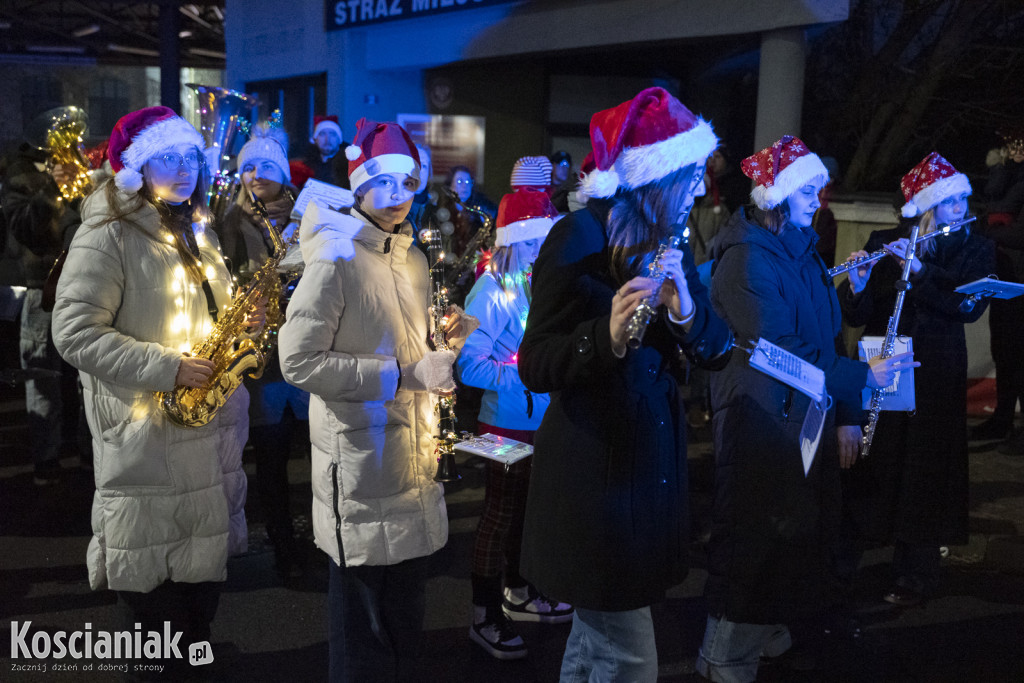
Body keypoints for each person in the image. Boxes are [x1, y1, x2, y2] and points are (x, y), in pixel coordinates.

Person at [518, 87, 734, 681]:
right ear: (655, 176)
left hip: (647, 475)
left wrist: (686, 311)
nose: (700, 188)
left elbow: (718, 350)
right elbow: (534, 362)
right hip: (596, 487)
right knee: (633, 655)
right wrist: (603, 337)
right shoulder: (578, 238)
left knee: (597, 645)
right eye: (690, 175)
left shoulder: (669, 240)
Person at [698, 136, 915, 682]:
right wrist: (863, 379)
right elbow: (780, 349)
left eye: (819, 186)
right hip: (759, 418)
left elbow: (826, 332)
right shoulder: (747, 258)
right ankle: (724, 653)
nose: (821, 196)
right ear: (778, 195)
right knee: (754, 535)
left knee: (790, 533)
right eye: (810, 187)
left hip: (798, 416)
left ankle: (766, 627)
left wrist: (844, 408)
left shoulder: (801, 247)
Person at [50, 106, 256, 670]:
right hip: (149, 445)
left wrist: (244, 327)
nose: (183, 167)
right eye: (166, 156)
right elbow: (72, 333)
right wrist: (167, 367)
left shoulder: (195, 229)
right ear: (135, 166)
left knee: (198, 612)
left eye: (189, 155)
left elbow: (213, 317)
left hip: (206, 436)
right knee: (153, 620)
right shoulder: (108, 233)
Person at [278, 118, 469, 682]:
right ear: (359, 185)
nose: (397, 195)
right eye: (383, 183)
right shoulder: (335, 257)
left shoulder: (408, 255)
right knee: (362, 635)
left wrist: (442, 340)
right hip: (360, 462)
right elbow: (298, 362)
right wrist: (406, 376)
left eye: (407, 183)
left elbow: (404, 344)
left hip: (411, 456)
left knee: (406, 624)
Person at [837, 152, 995, 606]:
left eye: (964, 200)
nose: (961, 210)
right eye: (951, 203)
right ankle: (846, 559)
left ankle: (916, 571)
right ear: (928, 207)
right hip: (886, 362)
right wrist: (860, 283)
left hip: (936, 372)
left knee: (926, 467)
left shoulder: (974, 248)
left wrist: (922, 272)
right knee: (874, 457)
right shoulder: (886, 240)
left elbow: (967, 307)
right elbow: (856, 314)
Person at [457, 188, 572, 660]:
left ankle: (518, 589)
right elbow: (468, 365)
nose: (539, 250)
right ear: (511, 240)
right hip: (503, 424)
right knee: (500, 516)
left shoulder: (532, 281)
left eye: (544, 242)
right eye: (531, 242)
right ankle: (483, 614)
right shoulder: (492, 288)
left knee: (525, 513)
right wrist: (527, 376)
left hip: (535, 421)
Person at [216, 124, 310, 581]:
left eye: (266, 167)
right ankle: (283, 545)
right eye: (248, 166)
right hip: (264, 359)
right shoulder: (229, 219)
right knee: (271, 458)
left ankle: (318, 536)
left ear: (282, 173)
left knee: (315, 453)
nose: (255, 175)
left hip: (310, 349)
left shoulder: (307, 214)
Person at [1, 131, 86, 484]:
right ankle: (46, 460)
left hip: (84, 284)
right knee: (41, 374)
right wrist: (52, 187)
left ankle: (89, 452)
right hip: (42, 287)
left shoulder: (79, 166)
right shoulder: (20, 173)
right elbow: (22, 228)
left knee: (87, 373)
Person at [974, 129, 1024, 442]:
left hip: (1021, 277)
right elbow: (988, 208)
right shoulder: (1005, 177)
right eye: (1012, 143)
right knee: (1004, 350)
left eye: (1021, 142)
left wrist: (988, 234)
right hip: (1004, 273)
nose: (1016, 148)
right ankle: (1003, 420)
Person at [300, 114, 350, 190]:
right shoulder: (303, 167)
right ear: (315, 139)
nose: (327, 139)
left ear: (339, 139)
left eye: (332, 134)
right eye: (322, 134)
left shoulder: (349, 166)